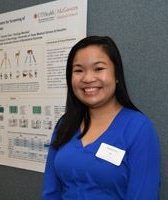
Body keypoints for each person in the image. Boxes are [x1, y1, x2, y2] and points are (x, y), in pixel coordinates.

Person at [42, 36, 160, 200]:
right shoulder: (65, 124)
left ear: (116, 74)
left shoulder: (138, 128)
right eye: (78, 70)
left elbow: (143, 195)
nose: (88, 78)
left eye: (98, 69)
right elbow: (50, 191)